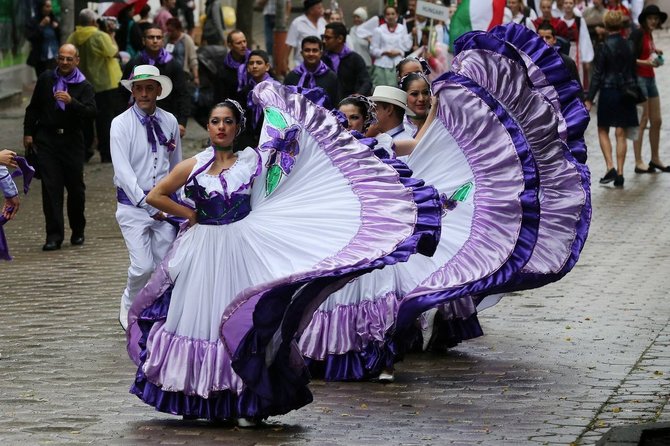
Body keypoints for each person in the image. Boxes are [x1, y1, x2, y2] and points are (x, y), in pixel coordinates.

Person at [125, 84, 438, 425]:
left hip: (240, 250)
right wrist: (189, 215)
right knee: (198, 318)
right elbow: (157, 195)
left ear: (237, 127)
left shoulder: (251, 161)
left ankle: (245, 399)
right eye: (214, 121)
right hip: (202, 252)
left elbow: (289, 159)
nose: (220, 127)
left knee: (242, 320)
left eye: (227, 121)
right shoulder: (194, 165)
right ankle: (198, 396)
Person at [111, 64, 182, 331]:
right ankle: (129, 301)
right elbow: (123, 170)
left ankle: (154, 312)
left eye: (149, 88)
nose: (143, 94)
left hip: (164, 205)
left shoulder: (170, 121)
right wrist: (145, 203)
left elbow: (176, 164)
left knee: (164, 265)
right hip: (133, 207)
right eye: (138, 88)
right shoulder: (120, 124)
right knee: (142, 266)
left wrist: (179, 200)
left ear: (158, 91)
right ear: (132, 91)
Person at [23, 44, 97, 251]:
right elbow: (34, 108)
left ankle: (78, 230)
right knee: (51, 188)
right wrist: (28, 133)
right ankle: (53, 236)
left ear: (76, 61)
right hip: (47, 140)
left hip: (72, 141)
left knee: (75, 189)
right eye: (61, 58)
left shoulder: (84, 86)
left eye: (69, 59)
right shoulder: (47, 79)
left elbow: (92, 112)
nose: (64, 62)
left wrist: (72, 101)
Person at [584, 10, 638, 188]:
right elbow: (632, 71)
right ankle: (621, 172)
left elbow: (598, 75)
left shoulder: (603, 46)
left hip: (608, 92)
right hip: (626, 92)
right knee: (621, 132)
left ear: (606, 26)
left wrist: (590, 98)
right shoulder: (629, 45)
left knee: (602, 129)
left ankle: (610, 166)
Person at [66, 8, 122, 163]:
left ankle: (84, 151)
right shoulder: (100, 36)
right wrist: (111, 35)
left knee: (85, 120)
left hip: (81, 84)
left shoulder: (73, 37)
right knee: (105, 120)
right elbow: (113, 52)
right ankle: (106, 153)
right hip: (105, 84)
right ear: (93, 22)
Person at [120, 25, 191, 138]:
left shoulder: (173, 64)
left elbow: (183, 94)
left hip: (167, 116)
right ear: (143, 40)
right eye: (151, 37)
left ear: (163, 40)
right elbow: (123, 94)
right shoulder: (135, 63)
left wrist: (182, 122)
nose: (155, 41)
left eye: (158, 37)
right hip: (139, 118)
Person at [631, 5, 669, 174]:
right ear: (644, 20)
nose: (654, 21)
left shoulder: (648, 34)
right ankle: (638, 161)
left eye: (656, 19)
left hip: (650, 78)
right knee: (643, 119)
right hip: (639, 78)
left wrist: (655, 51)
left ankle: (655, 158)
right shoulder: (638, 33)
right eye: (650, 18)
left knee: (657, 120)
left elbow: (645, 52)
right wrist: (646, 62)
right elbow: (629, 57)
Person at [238, 49, 279, 149]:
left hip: (271, 141)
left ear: (267, 66)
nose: (254, 66)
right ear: (247, 68)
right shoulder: (245, 91)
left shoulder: (276, 89)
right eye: (251, 63)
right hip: (249, 143)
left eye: (259, 63)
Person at [284, 36, 340, 108]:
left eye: (315, 50)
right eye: (307, 50)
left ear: (321, 53)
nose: (311, 54)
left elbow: (336, 104)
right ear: (301, 53)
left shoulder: (331, 77)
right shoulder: (292, 77)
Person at [322, 21, 372, 98]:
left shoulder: (355, 59)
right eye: (324, 37)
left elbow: (366, 82)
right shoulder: (322, 59)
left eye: (328, 38)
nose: (324, 41)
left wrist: (357, 95)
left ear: (340, 38)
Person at [537, 22, 583, 100]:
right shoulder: (530, 61)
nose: (544, 40)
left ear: (554, 40)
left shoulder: (567, 62)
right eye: (541, 38)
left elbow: (576, 90)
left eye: (548, 37)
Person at [369, 5, 412, 88]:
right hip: (382, 65)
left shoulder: (402, 28)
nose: (390, 16)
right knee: (380, 89)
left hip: (398, 65)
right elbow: (372, 50)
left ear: (397, 15)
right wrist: (384, 52)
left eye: (393, 14)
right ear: (385, 16)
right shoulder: (379, 30)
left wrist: (399, 52)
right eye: (388, 14)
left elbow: (407, 46)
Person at [285, 0, 327, 70]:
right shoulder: (297, 23)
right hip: (301, 65)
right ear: (311, 10)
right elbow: (289, 44)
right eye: (319, 8)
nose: (322, 10)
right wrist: (285, 62)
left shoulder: (323, 22)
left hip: (320, 66)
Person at [25, 0, 61, 78]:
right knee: (43, 81)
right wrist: (41, 25)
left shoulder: (54, 19)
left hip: (55, 56)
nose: (50, 9)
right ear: (41, 7)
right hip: (41, 58)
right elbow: (31, 37)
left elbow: (59, 36)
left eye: (50, 6)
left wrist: (57, 28)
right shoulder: (33, 21)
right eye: (47, 6)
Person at [214, 29, 250, 106]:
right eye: (239, 43)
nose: (243, 45)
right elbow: (219, 98)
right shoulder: (223, 69)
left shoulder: (254, 62)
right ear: (230, 46)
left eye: (244, 41)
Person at [164, 17, 199, 96]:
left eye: (172, 31)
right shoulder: (165, 38)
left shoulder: (187, 39)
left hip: (183, 75)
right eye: (168, 30)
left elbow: (193, 59)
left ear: (178, 29)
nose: (169, 33)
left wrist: (196, 77)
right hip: (167, 74)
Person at [399, 72, 431, 136]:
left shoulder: (441, 122)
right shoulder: (399, 127)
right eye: (414, 94)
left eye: (425, 93)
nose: (421, 99)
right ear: (404, 96)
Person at [347, 7, 372, 74]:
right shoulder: (351, 30)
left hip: (366, 62)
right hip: (353, 63)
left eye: (358, 17)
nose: (356, 19)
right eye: (354, 17)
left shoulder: (369, 31)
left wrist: (370, 41)